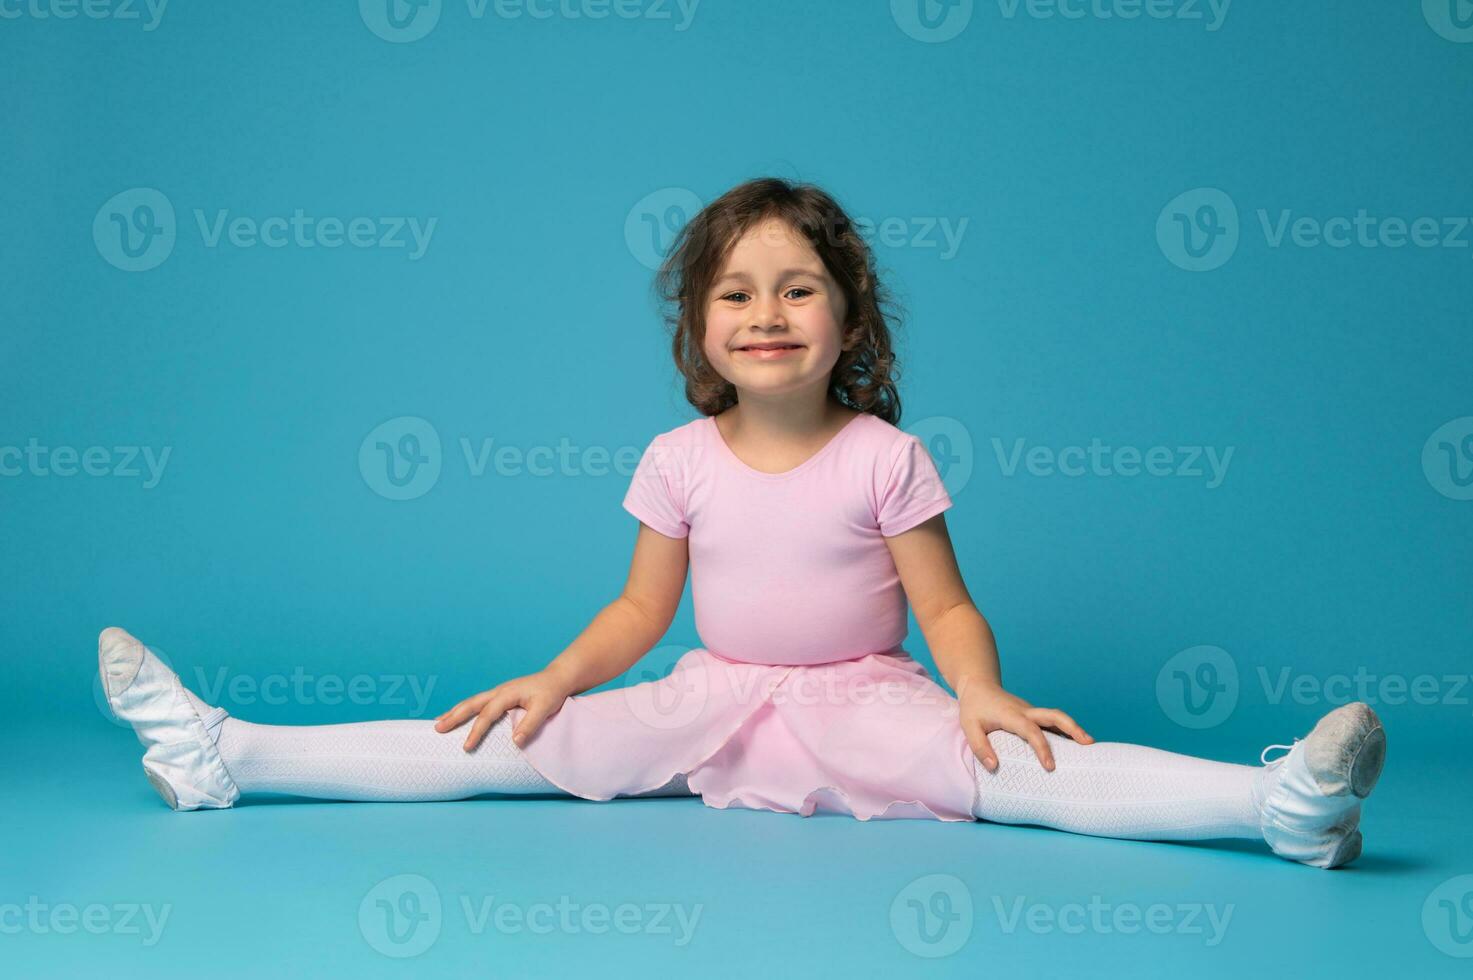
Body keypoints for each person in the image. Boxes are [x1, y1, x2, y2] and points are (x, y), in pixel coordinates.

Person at [99, 177, 1385, 869]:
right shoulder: (676, 457)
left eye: (799, 288)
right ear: (699, 329)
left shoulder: (885, 455)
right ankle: (232, 750)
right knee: (503, 741)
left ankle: (1277, 801)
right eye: (735, 292)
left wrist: (981, 689)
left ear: (849, 323)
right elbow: (640, 612)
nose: (767, 312)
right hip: (708, 693)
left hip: (866, 699)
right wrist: (556, 675)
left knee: (1028, 774)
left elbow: (941, 603)